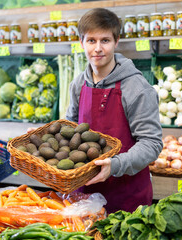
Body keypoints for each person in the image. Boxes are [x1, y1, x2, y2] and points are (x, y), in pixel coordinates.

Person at [65, 8, 163, 214]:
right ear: (81, 42)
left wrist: (115, 165)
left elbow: (152, 143)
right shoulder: (78, 84)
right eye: (91, 40)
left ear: (116, 42)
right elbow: (70, 128)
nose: (98, 48)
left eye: (105, 40)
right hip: (85, 197)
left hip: (127, 198)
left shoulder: (136, 87)